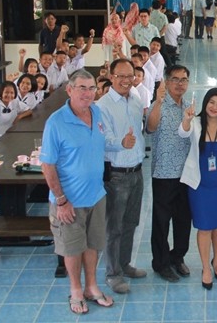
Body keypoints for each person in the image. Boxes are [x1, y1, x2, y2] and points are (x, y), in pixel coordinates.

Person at [41, 69, 113, 315]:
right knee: (72, 248)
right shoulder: (56, 122)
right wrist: (61, 201)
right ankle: (76, 290)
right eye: (82, 88)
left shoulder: (96, 112)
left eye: (92, 88)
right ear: (69, 90)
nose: (88, 93)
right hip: (69, 201)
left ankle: (92, 286)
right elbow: (47, 165)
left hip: (96, 195)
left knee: (92, 245)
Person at [179, 88, 217, 289]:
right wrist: (187, 119)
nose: (215, 107)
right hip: (199, 185)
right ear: (205, 103)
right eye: (211, 102)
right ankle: (206, 267)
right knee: (204, 226)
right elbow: (182, 132)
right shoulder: (195, 123)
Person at [96, 59, 147, 294]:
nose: (126, 80)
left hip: (137, 171)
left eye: (130, 76)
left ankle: (125, 264)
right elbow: (101, 140)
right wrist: (121, 143)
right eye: (121, 76)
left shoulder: (135, 100)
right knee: (114, 227)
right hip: (116, 175)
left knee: (131, 223)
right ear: (111, 76)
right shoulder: (102, 106)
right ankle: (112, 274)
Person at [146, 65, 192, 282]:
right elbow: (150, 127)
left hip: (187, 175)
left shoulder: (189, 107)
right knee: (161, 222)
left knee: (183, 221)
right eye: (175, 79)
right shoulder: (159, 105)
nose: (179, 83)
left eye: (184, 79)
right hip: (164, 174)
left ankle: (177, 257)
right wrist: (157, 101)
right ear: (167, 81)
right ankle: (161, 263)